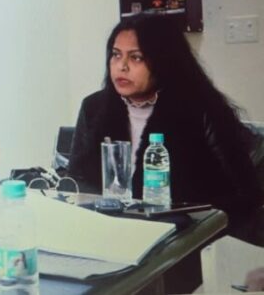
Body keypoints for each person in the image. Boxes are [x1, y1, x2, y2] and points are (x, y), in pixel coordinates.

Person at [68, 15, 261, 236]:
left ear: (163, 61)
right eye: (116, 55)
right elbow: (77, 181)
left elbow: (246, 195)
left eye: (136, 57)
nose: (122, 66)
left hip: (188, 236)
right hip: (111, 231)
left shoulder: (201, 108)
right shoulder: (94, 107)